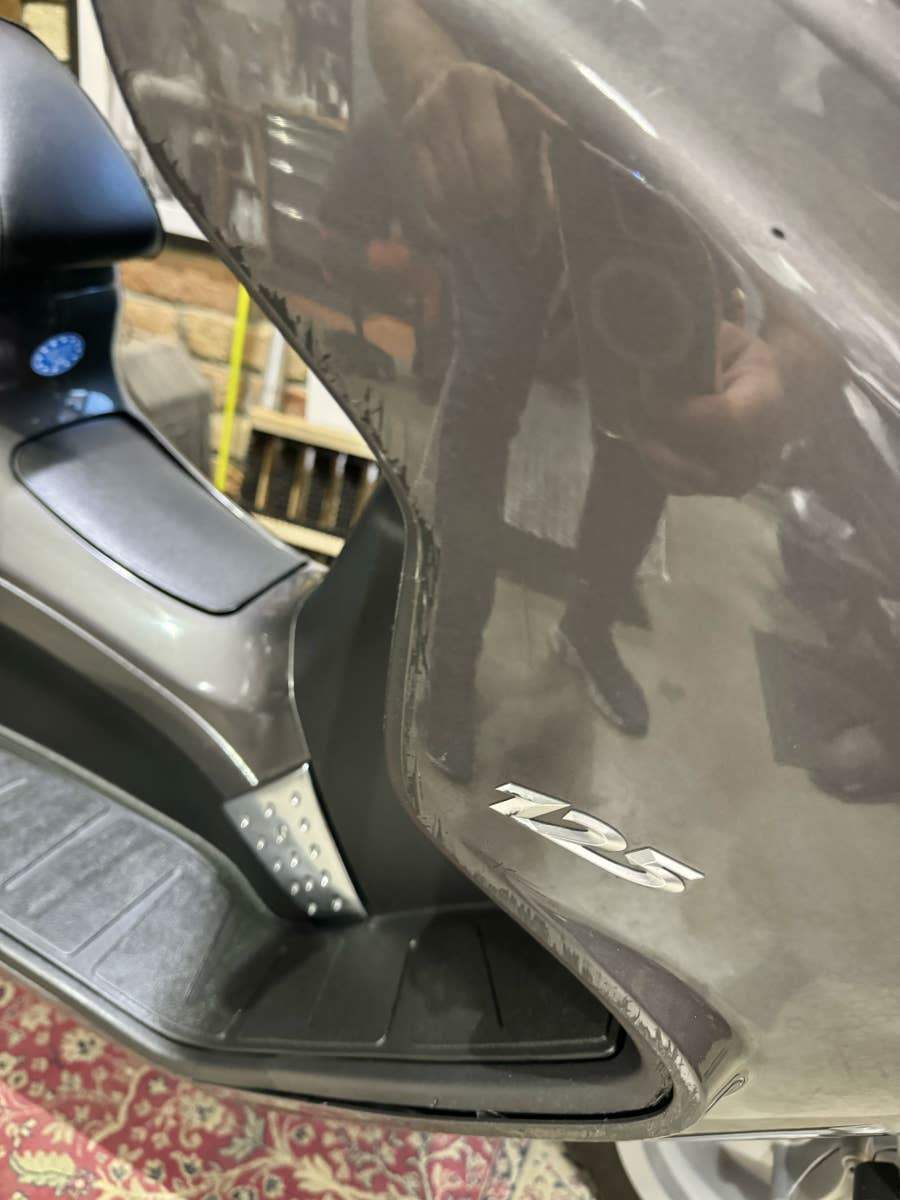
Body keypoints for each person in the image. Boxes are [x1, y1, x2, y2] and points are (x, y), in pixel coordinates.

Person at [368, 0, 784, 780]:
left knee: (650, 422)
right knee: (485, 404)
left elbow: (784, 111)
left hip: (657, 192)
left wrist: (793, 344)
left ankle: (585, 634)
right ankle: (451, 663)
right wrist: (432, 72)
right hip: (513, 175)